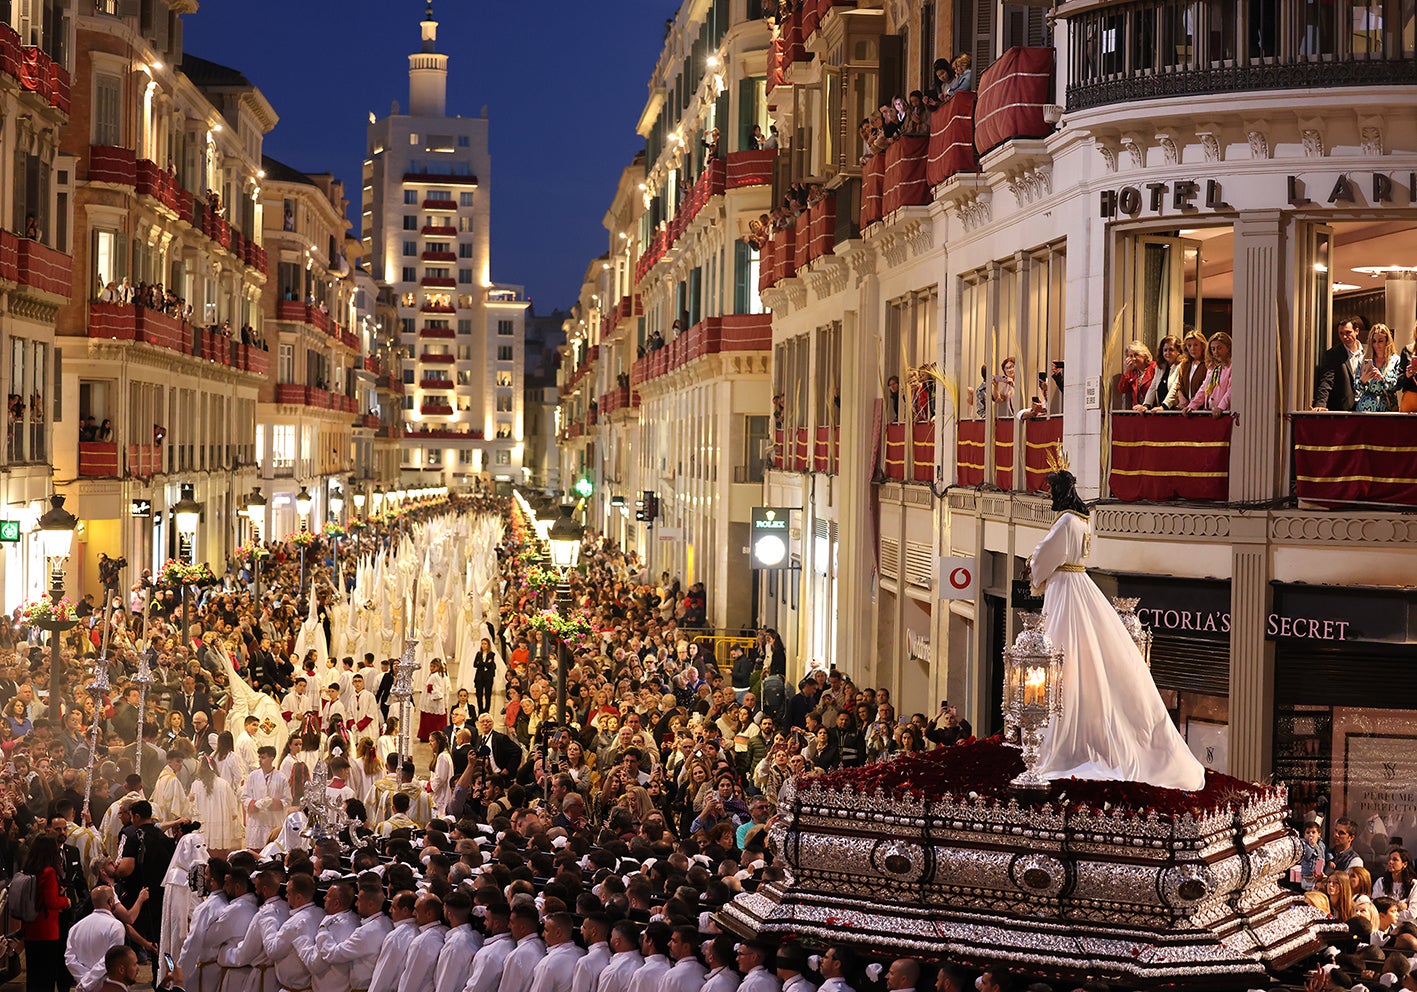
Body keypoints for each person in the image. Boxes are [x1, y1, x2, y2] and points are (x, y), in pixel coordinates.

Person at [1026, 460, 1205, 791]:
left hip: (1066, 588)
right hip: (1079, 585)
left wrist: (1031, 564)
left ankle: (1066, 737)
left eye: (1051, 489)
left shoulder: (1065, 520)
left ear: (1060, 491)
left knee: (1064, 654)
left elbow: (1045, 555)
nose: (1048, 494)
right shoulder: (1083, 519)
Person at [23, 833, 73, 992]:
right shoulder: (49, 872)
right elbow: (51, 901)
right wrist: (66, 901)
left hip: (30, 927)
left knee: (33, 973)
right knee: (46, 975)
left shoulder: (29, 869)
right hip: (46, 930)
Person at [1313, 315, 1367, 412]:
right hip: (1344, 408)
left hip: (1366, 406)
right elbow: (1326, 381)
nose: (1344, 337)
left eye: (1348, 332)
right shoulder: (1333, 354)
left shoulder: (1368, 352)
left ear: (1357, 331)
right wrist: (1320, 403)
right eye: (1341, 333)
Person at [1184, 331, 1232, 415]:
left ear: (1228, 348)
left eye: (1219, 348)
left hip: (1224, 412)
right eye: (1213, 349)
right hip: (1209, 411)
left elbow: (1231, 390)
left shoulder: (1232, 366)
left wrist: (1221, 407)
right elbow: (1203, 389)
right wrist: (1192, 406)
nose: (1216, 352)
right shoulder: (1212, 368)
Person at [1356, 321, 1400, 412]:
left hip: (1387, 407)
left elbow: (1397, 385)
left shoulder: (1395, 360)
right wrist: (1363, 380)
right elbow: (1356, 387)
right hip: (1365, 408)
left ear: (1387, 341)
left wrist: (1382, 379)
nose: (1376, 345)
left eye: (1380, 341)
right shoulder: (1364, 360)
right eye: (1374, 341)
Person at [1138, 335, 1183, 411]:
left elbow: (1175, 388)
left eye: (1171, 350)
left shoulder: (1181, 365)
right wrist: (1146, 405)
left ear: (1178, 351)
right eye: (1165, 350)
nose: (1167, 353)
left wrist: (1164, 407)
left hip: (1176, 410)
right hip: (1162, 410)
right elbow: (1153, 387)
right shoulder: (1160, 367)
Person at [1117, 341, 1157, 409]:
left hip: (1153, 410)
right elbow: (1122, 389)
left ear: (1145, 355)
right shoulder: (1133, 372)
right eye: (1131, 356)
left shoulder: (1154, 367)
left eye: (1136, 355)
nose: (1133, 359)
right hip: (1138, 411)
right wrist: (1126, 372)